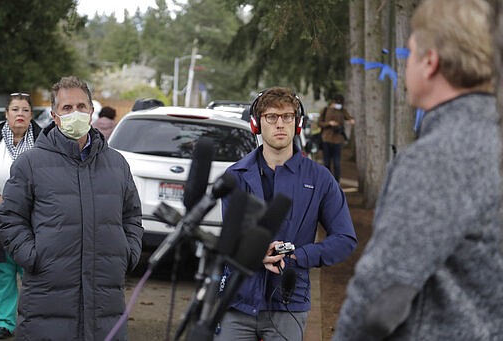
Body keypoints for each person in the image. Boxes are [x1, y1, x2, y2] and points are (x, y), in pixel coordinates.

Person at [333, 0, 503, 340]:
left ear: (430, 62)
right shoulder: (490, 143)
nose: (404, 63)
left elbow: (379, 296)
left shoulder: (439, 160)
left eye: (409, 52)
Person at [0, 76, 144, 341]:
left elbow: (131, 215)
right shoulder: (31, 163)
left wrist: (128, 252)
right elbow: (10, 218)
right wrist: (34, 256)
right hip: (47, 299)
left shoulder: (117, 163)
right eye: (67, 108)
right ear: (54, 115)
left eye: (81, 106)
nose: (75, 113)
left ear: (90, 111)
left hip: (105, 302)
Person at [215, 87, 357, 341]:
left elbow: (345, 239)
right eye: (271, 117)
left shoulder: (320, 178)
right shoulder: (235, 175)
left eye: (287, 116)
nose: (280, 124)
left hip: (289, 304)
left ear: (297, 123)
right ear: (256, 124)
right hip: (237, 300)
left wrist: (298, 255)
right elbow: (231, 237)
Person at [0, 93, 42, 339]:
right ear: (7, 113)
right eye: (14, 109)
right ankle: (4, 323)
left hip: (33, 219)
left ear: (31, 115)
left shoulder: (45, 140)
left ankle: (33, 321)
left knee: (32, 271)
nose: (19, 113)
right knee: (1, 271)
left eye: (24, 109)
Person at [318, 94, 355, 182]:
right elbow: (319, 123)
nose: (338, 104)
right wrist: (329, 123)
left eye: (340, 103)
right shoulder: (326, 110)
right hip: (326, 139)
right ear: (332, 102)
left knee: (337, 163)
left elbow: (350, 118)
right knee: (326, 163)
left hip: (338, 140)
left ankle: (336, 183)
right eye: (336, 102)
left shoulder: (342, 111)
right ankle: (326, 181)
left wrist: (351, 121)